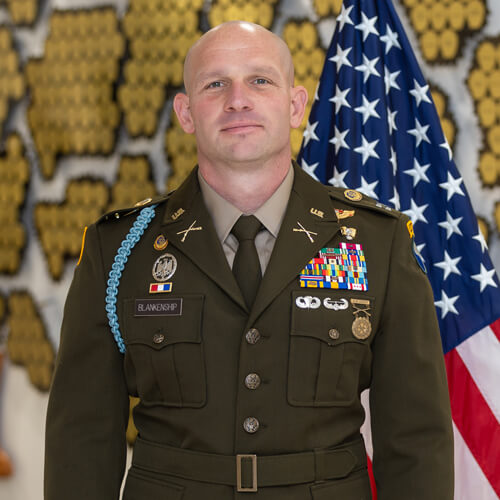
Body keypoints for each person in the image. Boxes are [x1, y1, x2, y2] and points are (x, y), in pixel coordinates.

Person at [45, 21, 454, 499]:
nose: (237, 99)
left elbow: (415, 438)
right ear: (186, 112)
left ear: (296, 105)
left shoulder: (376, 242)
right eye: (215, 83)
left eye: (260, 80)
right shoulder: (119, 249)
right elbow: (82, 438)